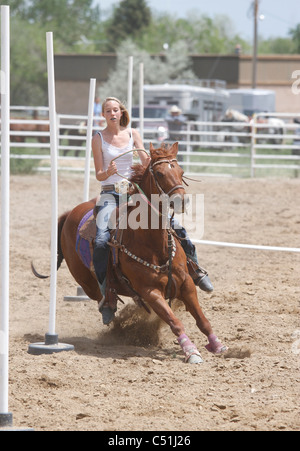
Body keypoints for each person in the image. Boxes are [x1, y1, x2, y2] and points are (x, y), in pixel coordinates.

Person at [92, 97, 213, 326]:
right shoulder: (97, 139)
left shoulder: (133, 134)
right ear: (103, 115)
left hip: (136, 192)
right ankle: (107, 294)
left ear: (121, 112)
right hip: (110, 193)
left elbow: (146, 163)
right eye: (108, 110)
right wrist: (107, 172)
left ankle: (195, 270)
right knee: (100, 241)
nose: (112, 113)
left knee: (177, 227)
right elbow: (98, 174)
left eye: (115, 110)